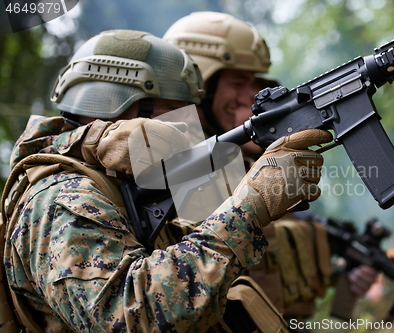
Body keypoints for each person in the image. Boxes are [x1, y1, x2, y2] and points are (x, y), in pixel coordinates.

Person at [0, 29, 331, 332]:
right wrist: (250, 206)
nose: (187, 129)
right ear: (120, 106)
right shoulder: (62, 197)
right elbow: (133, 316)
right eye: (172, 111)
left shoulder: (122, 190)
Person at [163, 11, 378, 327]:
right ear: (199, 88)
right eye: (238, 82)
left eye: (256, 84)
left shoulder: (258, 171)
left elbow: (278, 276)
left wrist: (345, 279)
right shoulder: (174, 174)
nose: (250, 97)